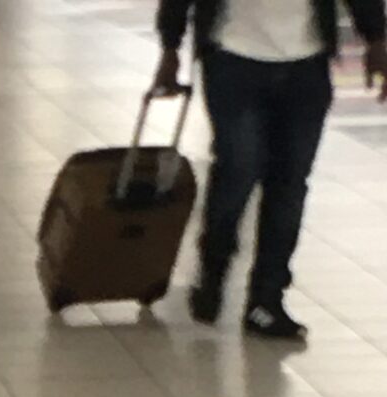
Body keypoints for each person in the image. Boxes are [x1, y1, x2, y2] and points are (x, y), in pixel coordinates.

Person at [154, 0, 387, 339]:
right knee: (238, 168)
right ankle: (214, 265)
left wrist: (376, 39)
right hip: (232, 58)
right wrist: (170, 48)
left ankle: (267, 299)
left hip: (307, 65)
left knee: (290, 183)